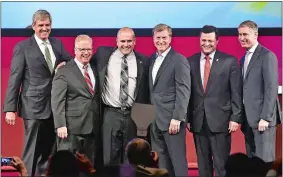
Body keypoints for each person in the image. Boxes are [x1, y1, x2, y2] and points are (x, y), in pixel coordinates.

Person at [3, 9, 72, 176]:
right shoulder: (23, 47)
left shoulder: (57, 44)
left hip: (54, 107)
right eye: (41, 25)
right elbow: (15, 78)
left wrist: (64, 65)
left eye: (47, 25)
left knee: (48, 151)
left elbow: (71, 62)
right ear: (34, 26)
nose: (44, 28)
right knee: (31, 150)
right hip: (33, 107)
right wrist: (9, 109)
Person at [187, 25, 242, 177]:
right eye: (203, 40)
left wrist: (235, 117)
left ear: (217, 41)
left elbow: (236, 92)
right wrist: (188, 118)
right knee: (203, 166)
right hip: (198, 122)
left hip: (221, 121)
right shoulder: (190, 61)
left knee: (221, 165)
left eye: (210, 40)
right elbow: (188, 93)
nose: (206, 43)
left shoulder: (229, 61)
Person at [91, 27, 149, 166]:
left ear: (135, 42)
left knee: (132, 160)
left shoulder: (144, 61)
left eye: (129, 41)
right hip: (110, 114)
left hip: (133, 116)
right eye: (122, 41)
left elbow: (146, 94)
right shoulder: (103, 55)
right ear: (116, 41)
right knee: (109, 159)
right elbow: (82, 61)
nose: (126, 44)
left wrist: (143, 125)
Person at [149, 23, 191, 177]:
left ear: (170, 38)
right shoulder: (152, 59)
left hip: (172, 121)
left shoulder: (179, 60)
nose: (161, 41)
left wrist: (178, 117)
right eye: (158, 38)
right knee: (161, 163)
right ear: (153, 38)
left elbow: (184, 90)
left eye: (164, 38)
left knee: (178, 162)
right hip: (155, 120)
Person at [51, 35, 99, 166]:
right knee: (68, 168)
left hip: (92, 128)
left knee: (89, 167)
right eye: (82, 49)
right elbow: (57, 100)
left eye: (88, 49)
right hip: (70, 130)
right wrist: (60, 124)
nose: (86, 53)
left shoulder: (95, 69)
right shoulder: (64, 71)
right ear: (75, 50)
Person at [238, 20, 278, 163]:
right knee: (252, 163)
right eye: (240, 34)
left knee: (264, 162)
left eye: (245, 34)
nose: (242, 38)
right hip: (248, 120)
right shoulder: (243, 58)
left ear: (256, 35)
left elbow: (270, 88)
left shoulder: (267, 56)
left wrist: (266, 117)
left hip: (262, 120)